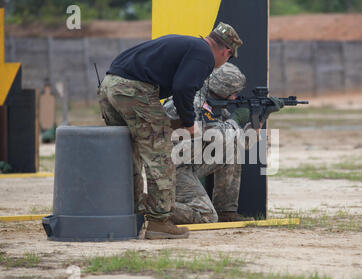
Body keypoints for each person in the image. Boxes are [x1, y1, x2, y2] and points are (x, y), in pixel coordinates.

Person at [97, 22, 243, 239]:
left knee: (130, 154)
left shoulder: (187, 45)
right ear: (226, 51)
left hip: (109, 85)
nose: (223, 63)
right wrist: (189, 122)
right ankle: (159, 221)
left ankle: (130, 212)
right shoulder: (204, 54)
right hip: (134, 89)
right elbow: (183, 87)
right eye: (228, 58)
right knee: (160, 155)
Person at [162, 62, 255, 224]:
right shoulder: (193, 101)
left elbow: (241, 142)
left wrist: (257, 122)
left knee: (231, 148)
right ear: (224, 90)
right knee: (207, 216)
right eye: (234, 93)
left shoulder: (213, 101)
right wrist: (236, 119)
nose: (235, 97)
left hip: (189, 163)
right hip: (170, 169)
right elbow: (215, 134)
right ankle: (153, 207)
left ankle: (226, 210)